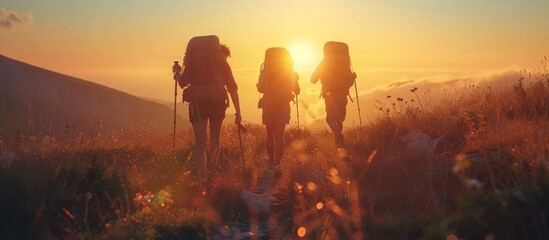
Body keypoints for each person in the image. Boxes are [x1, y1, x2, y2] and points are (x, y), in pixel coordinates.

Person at [173, 35, 242, 193]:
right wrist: (238, 111)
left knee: (200, 143)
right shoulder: (222, 64)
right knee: (215, 139)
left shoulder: (190, 61)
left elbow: (183, 83)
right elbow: (232, 88)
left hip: (197, 103)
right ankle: (212, 168)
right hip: (217, 102)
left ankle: (203, 179)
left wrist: (177, 73)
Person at [257, 48, 300, 178]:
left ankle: (270, 161)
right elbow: (297, 91)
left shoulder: (265, 70)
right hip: (283, 104)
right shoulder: (289, 71)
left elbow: (261, 88)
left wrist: (258, 85)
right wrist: (295, 78)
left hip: (269, 104)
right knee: (279, 136)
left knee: (269, 134)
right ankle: (277, 163)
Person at [311, 42, 356, 147]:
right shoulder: (345, 64)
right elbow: (349, 82)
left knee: (330, 119)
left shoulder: (323, 63)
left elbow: (313, 80)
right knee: (339, 118)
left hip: (330, 94)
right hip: (343, 94)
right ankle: (339, 142)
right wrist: (353, 77)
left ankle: (338, 136)